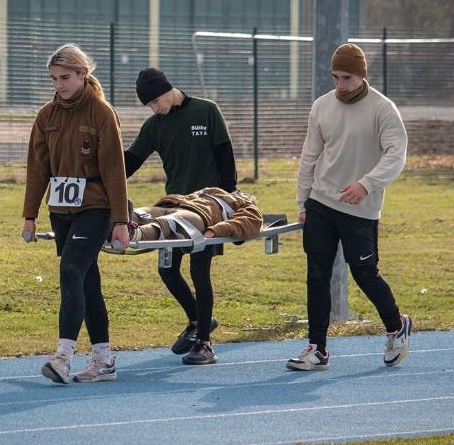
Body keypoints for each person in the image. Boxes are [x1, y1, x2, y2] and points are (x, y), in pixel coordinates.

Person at [289, 43, 411, 371]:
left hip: (360, 207)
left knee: (365, 274)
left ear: (361, 76)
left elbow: (396, 155)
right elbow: (310, 157)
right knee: (317, 274)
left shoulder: (382, 108)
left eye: (346, 78)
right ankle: (317, 349)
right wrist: (303, 201)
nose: (340, 84)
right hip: (321, 203)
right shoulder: (321, 106)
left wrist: (366, 184)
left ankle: (396, 326)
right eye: (335, 77)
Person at [21, 44, 130, 384]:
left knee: (70, 270)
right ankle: (104, 359)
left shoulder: (100, 112)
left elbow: (115, 169)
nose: (59, 85)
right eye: (53, 79)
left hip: (94, 207)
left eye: (65, 78)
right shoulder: (46, 116)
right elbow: (37, 169)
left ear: (83, 74)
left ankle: (63, 357)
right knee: (87, 282)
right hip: (61, 210)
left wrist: (120, 221)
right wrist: (30, 215)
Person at [124, 68, 238, 364]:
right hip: (175, 209)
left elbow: (227, 160)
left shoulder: (207, 111)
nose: (154, 109)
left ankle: (204, 343)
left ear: (165, 92)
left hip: (210, 208)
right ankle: (199, 320)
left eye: (154, 103)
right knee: (167, 270)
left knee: (200, 270)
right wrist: (101, 173)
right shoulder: (154, 125)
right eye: (149, 106)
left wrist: (231, 204)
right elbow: (130, 162)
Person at [131, 187, 262, 244]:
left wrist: (215, 230)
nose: (239, 190)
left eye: (243, 193)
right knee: (141, 212)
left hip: (199, 216)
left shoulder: (246, 205)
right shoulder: (214, 191)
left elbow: (245, 223)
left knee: (168, 223)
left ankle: (135, 234)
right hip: (176, 205)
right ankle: (119, 221)